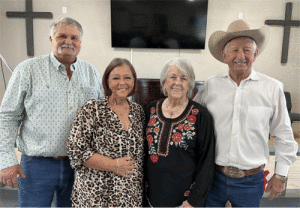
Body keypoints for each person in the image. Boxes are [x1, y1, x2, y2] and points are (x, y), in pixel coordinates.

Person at [193, 20, 298, 207]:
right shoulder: (210, 86)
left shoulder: (272, 88)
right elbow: (191, 120)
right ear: (224, 55)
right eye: (234, 50)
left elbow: (283, 134)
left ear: (255, 54)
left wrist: (280, 174)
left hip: (251, 180)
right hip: (213, 177)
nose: (240, 56)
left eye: (247, 50)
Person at [0, 17, 103, 207]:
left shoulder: (92, 73)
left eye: (74, 37)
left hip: (81, 166)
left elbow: (101, 119)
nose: (68, 42)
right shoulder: (28, 70)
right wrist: (6, 160)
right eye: (61, 36)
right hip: (37, 166)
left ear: (80, 42)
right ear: (50, 39)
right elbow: (7, 116)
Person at [67, 58, 145, 207]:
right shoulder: (92, 109)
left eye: (127, 77)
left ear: (134, 81)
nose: (122, 83)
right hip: (95, 195)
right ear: (107, 82)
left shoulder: (138, 111)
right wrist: (113, 165)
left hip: (129, 196)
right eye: (116, 78)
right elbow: (75, 150)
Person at [144, 57, 215, 207]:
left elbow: (206, 163)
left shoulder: (201, 115)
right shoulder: (151, 109)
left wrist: (193, 200)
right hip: (151, 197)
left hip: (184, 201)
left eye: (183, 78)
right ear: (164, 82)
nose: (177, 82)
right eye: (172, 77)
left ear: (189, 84)